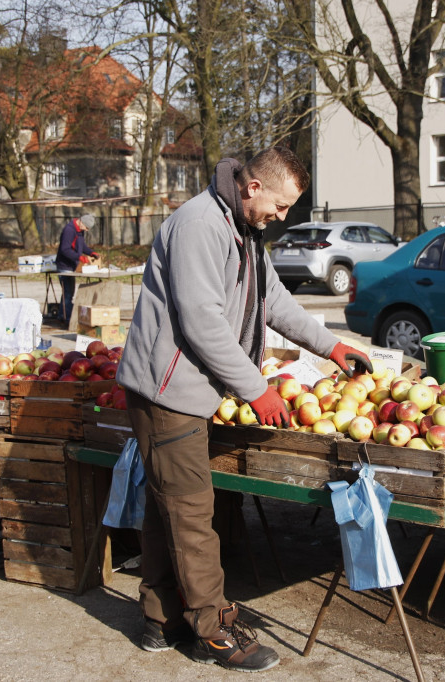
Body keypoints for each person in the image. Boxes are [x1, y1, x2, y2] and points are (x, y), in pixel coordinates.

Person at [116, 146, 371, 673]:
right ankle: (212, 630)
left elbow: (272, 300)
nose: (282, 218)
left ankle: (160, 618)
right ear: (253, 187)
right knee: (191, 512)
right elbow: (202, 321)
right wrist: (256, 389)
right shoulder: (200, 226)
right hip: (168, 394)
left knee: (171, 506)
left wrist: (331, 346)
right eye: (279, 207)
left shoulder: (243, 229)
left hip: (188, 392)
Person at [55, 213, 98, 326]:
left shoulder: (79, 231)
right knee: (68, 293)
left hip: (72, 265)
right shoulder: (69, 230)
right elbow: (65, 249)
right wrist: (80, 257)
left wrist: (90, 252)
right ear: (81, 222)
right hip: (64, 266)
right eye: (87, 227)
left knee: (68, 292)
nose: (87, 230)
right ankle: (67, 318)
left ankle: (62, 315)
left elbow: (81, 246)